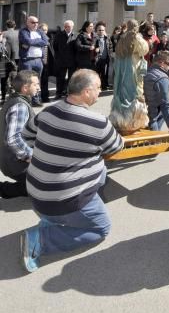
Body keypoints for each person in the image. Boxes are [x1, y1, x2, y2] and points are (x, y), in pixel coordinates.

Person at [21, 69, 123, 273]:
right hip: (62, 200)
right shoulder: (98, 122)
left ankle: (51, 222)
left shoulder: (48, 111)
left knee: (99, 171)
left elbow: (27, 135)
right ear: (86, 92)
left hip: (36, 194)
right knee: (101, 228)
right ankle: (41, 241)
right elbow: (116, 147)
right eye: (98, 88)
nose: (100, 91)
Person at [0, 71, 39, 199]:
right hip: (15, 163)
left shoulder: (14, 99)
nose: (39, 87)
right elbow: (13, 139)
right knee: (53, 184)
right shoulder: (20, 106)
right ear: (25, 88)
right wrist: (31, 156)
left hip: (11, 159)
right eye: (36, 84)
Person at [109, 19, 149, 134]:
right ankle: (131, 121)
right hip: (132, 69)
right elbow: (144, 49)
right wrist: (140, 37)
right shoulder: (136, 38)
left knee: (122, 91)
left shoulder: (122, 38)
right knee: (134, 91)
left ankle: (122, 117)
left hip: (122, 71)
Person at [18, 15, 48, 107]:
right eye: (33, 22)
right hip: (27, 60)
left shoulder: (40, 31)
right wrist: (38, 41)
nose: (35, 24)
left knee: (36, 81)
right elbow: (27, 41)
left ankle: (36, 100)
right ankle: (26, 100)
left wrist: (32, 42)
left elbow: (46, 41)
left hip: (38, 60)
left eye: (37, 22)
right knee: (26, 81)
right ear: (27, 23)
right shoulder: (23, 31)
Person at [143, 50, 169, 131]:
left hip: (142, 115)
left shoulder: (145, 72)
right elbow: (165, 104)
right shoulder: (163, 78)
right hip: (153, 120)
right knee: (154, 143)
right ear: (162, 63)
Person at [53, 20, 77, 99]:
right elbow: (55, 46)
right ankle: (58, 93)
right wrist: (58, 57)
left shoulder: (75, 35)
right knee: (60, 77)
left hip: (72, 61)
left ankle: (69, 93)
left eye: (69, 26)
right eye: (65, 26)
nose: (67, 28)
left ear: (72, 27)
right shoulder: (59, 35)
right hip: (61, 60)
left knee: (71, 78)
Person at [37, 23, 54, 103]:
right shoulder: (36, 39)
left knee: (45, 80)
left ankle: (45, 97)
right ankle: (36, 98)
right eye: (42, 30)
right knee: (36, 81)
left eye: (45, 30)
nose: (44, 31)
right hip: (38, 62)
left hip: (46, 63)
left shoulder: (49, 39)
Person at [94, 22, 112, 91]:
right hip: (97, 59)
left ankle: (104, 86)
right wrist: (95, 49)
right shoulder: (94, 38)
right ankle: (96, 87)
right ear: (97, 30)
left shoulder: (107, 38)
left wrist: (109, 53)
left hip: (105, 59)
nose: (101, 31)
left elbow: (110, 46)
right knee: (97, 74)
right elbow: (91, 46)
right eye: (99, 30)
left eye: (102, 30)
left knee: (104, 73)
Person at [0, 29, 14, 103]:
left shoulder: (8, 43)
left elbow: (13, 52)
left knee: (4, 82)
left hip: (5, 65)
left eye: (0, 34)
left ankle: (3, 98)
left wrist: (11, 61)